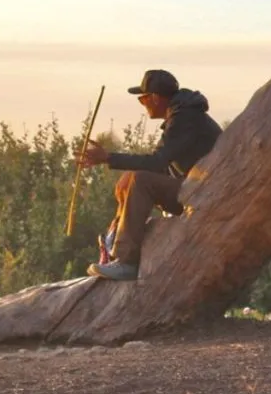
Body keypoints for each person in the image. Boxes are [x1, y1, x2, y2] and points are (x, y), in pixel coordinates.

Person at [77, 69, 222, 280]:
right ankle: (113, 241)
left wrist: (108, 157)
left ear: (154, 98)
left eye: (142, 99)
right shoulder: (181, 116)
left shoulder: (185, 119)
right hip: (195, 189)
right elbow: (162, 163)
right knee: (132, 179)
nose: (142, 105)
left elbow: (157, 161)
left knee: (141, 180)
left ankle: (126, 261)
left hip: (206, 194)